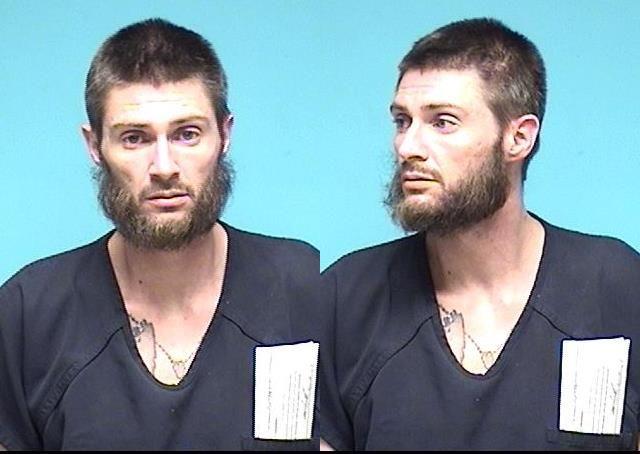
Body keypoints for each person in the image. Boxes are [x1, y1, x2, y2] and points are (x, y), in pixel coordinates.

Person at [318, 18, 640, 450]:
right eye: (402, 121)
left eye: (442, 122)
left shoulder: (616, 287)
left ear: (518, 138)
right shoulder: (344, 298)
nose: (407, 147)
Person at [0, 19, 320, 450]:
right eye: (135, 139)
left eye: (187, 134)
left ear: (224, 135)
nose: (164, 167)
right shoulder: (27, 313)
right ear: (94, 146)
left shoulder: (307, 289)